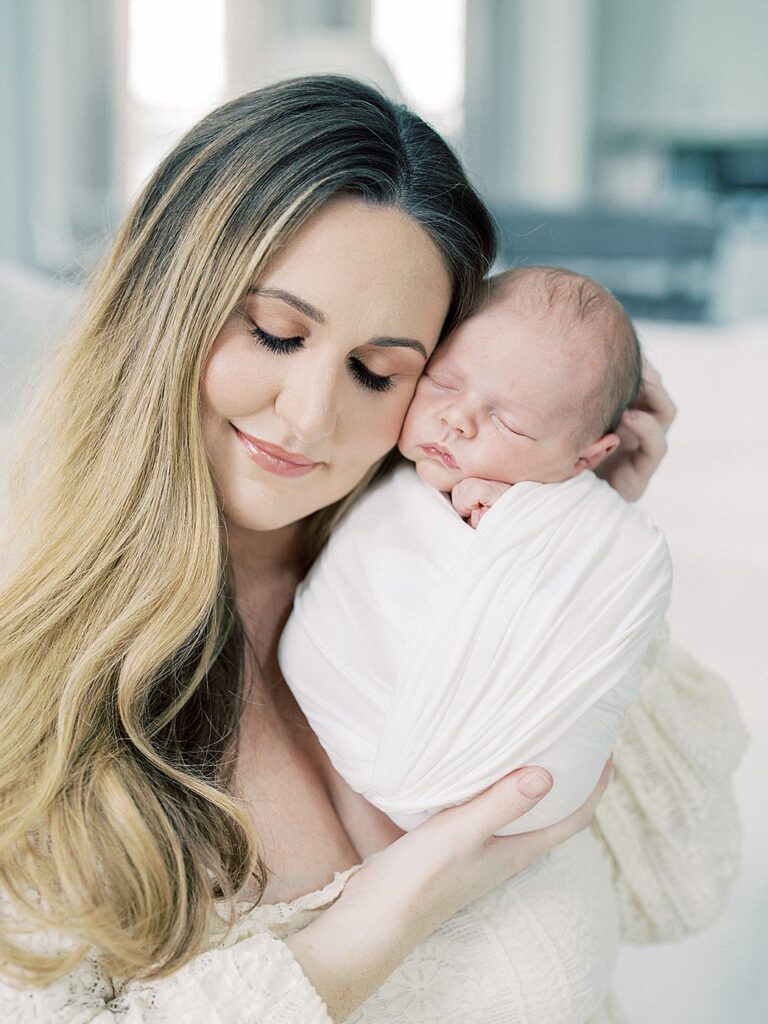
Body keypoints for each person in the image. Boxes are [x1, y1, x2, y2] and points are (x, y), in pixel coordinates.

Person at [0, 76, 745, 1024]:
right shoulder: (26, 666)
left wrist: (569, 558)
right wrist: (386, 919)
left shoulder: (451, 568)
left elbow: (680, 884)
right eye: (274, 333)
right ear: (166, 309)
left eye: (378, 371)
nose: (309, 416)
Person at [279, 265, 672, 838]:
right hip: (368, 728)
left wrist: (546, 520)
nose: (457, 419)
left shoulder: (572, 518)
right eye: (442, 382)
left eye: (508, 423)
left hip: (505, 781)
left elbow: (584, 625)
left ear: (586, 458)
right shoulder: (376, 479)